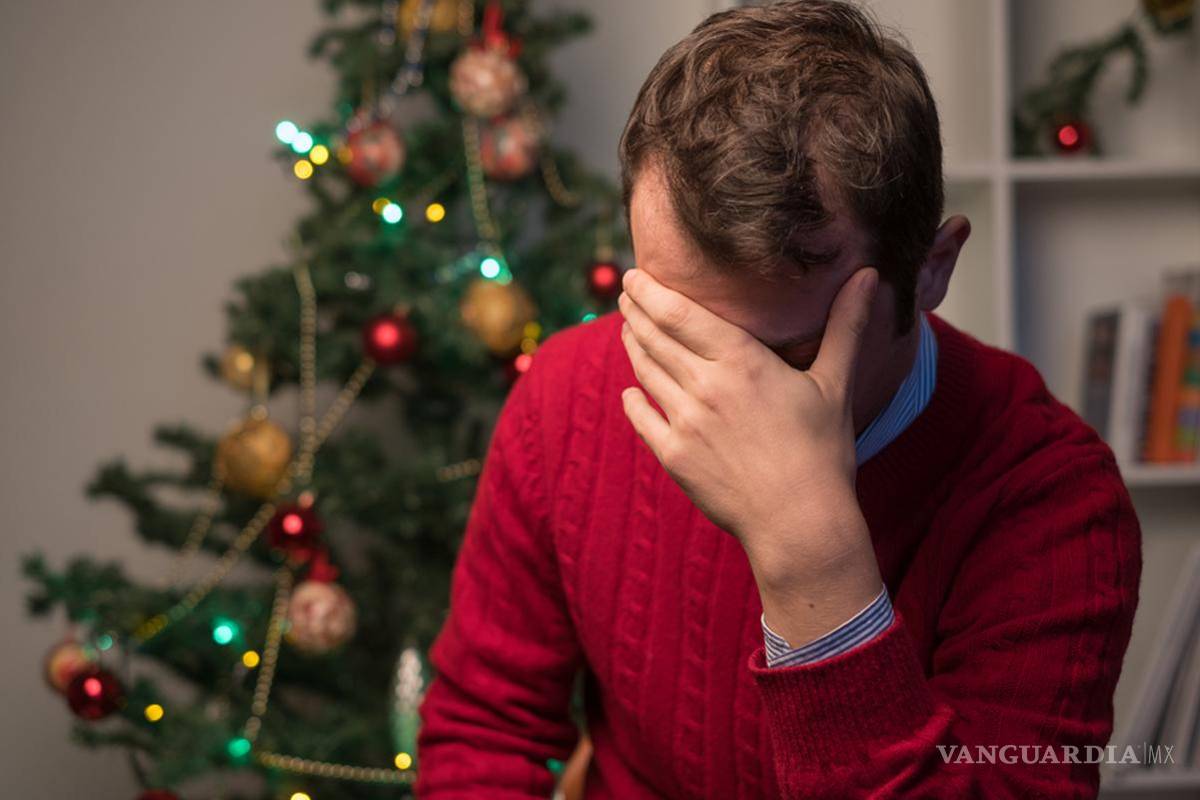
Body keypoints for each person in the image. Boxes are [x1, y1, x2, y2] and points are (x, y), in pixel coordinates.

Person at [415, 1, 1141, 797]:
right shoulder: (568, 397)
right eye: (677, 328)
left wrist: (814, 563)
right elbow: (483, 733)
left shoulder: (1049, 494)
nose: (720, 391)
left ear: (931, 268)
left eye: (782, 355)